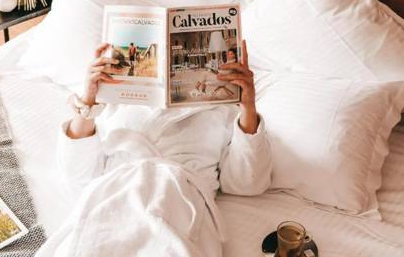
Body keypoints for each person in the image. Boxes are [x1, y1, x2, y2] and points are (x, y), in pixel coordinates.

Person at [36, 40, 272, 257]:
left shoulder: (221, 108)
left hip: (178, 199)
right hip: (117, 196)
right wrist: (88, 100)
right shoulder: (117, 97)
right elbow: (76, 173)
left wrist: (248, 108)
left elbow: (248, 183)